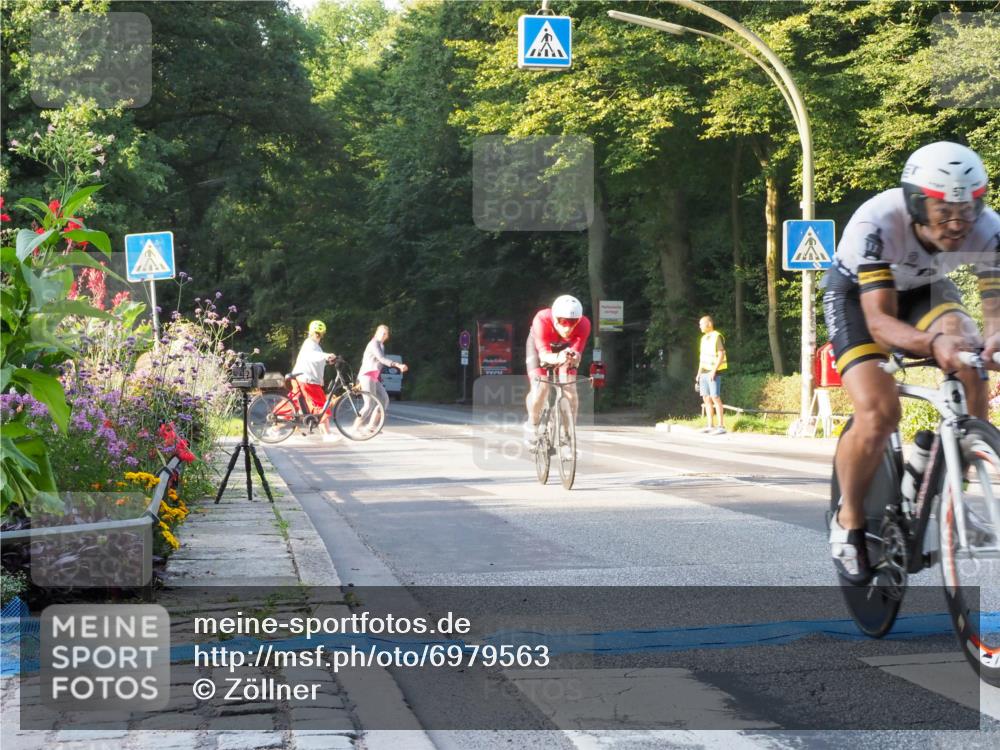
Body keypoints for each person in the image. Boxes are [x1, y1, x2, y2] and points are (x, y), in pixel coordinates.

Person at [823, 141, 1000, 584]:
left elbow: (994, 311)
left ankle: (957, 486)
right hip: (859, 298)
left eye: (968, 209)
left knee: (971, 358)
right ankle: (848, 520)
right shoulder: (878, 221)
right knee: (880, 412)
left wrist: (993, 340)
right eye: (943, 211)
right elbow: (880, 322)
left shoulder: (989, 228)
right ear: (918, 203)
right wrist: (930, 342)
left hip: (925, 291)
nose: (957, 224)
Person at [523, 295, 592, 456]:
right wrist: (558, 358)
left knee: (570, 391)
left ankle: (566, 437)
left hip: (565, 352)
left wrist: (575, 358)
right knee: (541, 386)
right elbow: (544, 357)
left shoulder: (584, 324)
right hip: (540, 349)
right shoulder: (541, 319)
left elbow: (578, 353)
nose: (568, 327)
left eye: (573, 322)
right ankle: (532, 425)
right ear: (554, 318)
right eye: (562, 321)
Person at [358, 324, 408, 432]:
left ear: (387, 337)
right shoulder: (373, 344)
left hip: (373, 376)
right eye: (381, 333)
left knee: (384, 400)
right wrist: (398, 365)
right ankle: (354, 428)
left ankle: (371, 426)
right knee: (369, 405)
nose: (383, 335)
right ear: (376, 333)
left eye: (385, 334)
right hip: (367, 375)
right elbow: (381, 359)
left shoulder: (381, 345)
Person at [292, 320, 338, 436]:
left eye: (319, 333)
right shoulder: (309, 344)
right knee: (321, 405)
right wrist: (326, 355)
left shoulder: (315, 345)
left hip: (303, 378)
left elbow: (316, 361)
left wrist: (328, 361)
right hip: (307, 380)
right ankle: (327, 434)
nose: (318, 335)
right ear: (311, 333)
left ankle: (274, 428)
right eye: (316, 333)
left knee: (293, 404)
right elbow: (313, 356)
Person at [695, 316, 727, 435]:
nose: (700, 326)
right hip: (704, 372)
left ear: (709, 323)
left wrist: (714, 370)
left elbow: (721, 354)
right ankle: (710, 425)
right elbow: (702, 358)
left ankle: (721, 426)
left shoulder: (716, 336)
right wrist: (698, 374)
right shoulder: (703, 339)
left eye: (701, 324)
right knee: (706, 398)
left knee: (715, 397)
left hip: (713, 372)